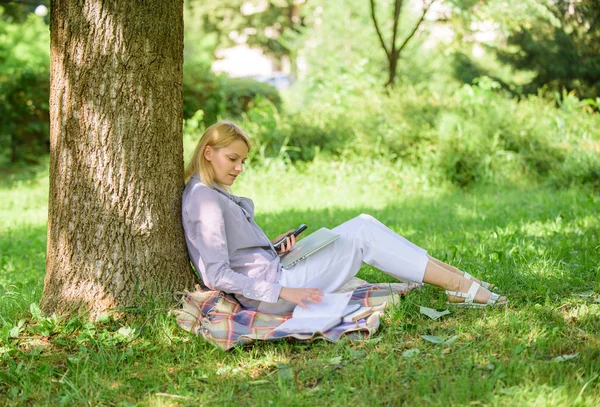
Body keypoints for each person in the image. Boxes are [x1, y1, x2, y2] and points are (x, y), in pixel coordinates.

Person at [182, 121, 507, 314]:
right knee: (362, 234)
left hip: (276, 271)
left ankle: (458, 279)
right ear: (208, 153)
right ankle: (460, 286)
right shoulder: (203, 200)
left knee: (363, 223)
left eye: (243, 161)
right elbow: (216, 275)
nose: (239, 168)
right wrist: (285, 292)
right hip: (273, 292)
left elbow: (237, 254)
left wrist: (272, 247)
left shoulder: (211, 192)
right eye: (233, 159)